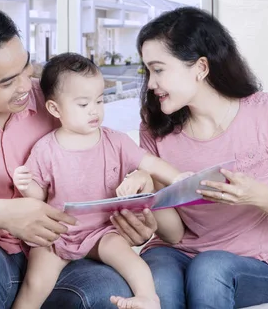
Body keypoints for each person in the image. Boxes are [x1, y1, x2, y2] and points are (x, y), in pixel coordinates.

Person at [0, 8, 156, 309]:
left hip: (60, 252)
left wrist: (135, 209)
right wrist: (0, 214)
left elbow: (111, 155)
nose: (26, 85)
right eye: (8, 82)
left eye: (26, 67)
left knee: (110, 292)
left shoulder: (56, 100)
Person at [109, 7, 268, 309]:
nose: (151, 83)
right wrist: (149, 198)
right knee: (158, 283)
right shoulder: (155, 129)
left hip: (253, 264)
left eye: (159, 69)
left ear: (200, 67)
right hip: (174, 252)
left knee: (209, 268)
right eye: (147, 71)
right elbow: (174, 233)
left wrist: (256, 195)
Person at [10, 53, 188, 309]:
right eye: (83, 104)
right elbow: (39, 198)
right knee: (35, 282)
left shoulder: (115, 141)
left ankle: (148, 298)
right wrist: (26, 186)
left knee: (130, 260)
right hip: (58, 234)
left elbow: (150, 163)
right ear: (54, 108)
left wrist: (178, 178)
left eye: (100, 100)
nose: (95, 110)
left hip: (103, 231)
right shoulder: (45, 149)